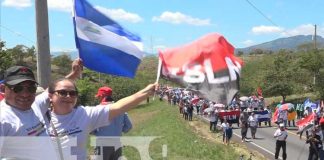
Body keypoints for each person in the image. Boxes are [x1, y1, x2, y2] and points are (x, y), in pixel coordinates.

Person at [36, 70, 157, 160]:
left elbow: (119, 106)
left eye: (73, 93)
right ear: (50, 96)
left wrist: (146, 92)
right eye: (62, 93)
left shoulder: (84, 114)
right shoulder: (36, 115)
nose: (68, 96)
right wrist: (73, 74)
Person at [0, 64, 79, 159]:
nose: (25, 94)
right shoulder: (3, 119)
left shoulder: (34, 105)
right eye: (18, 88)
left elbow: (55, 89)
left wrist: (74, 74)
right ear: (3, 89)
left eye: (31, 88)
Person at [93, 86, 133, 160]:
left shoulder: (97, 109)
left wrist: (96, 132)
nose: (98, 98)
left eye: (99, 96)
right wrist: (117, 131)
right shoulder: (120, 108)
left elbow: (91, 128)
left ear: (102, 96)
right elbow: (129, 126)